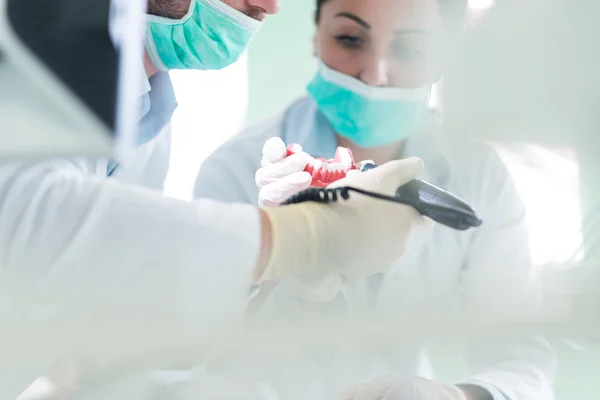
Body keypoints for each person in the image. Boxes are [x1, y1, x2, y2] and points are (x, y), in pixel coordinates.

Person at [0, 0, 426, 398]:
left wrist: (289, 287)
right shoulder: (26, 36)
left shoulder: (148, 116)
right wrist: (295, 237)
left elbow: (110, 320)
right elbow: (19, 214)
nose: (270, 6)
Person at [194, 0, 556, 399]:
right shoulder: (237, 170)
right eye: (350, 39)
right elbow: (204, 359)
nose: (374, 75)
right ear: (316, 37)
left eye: (411, 49)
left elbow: (519, 354)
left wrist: (457, 397)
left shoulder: (479, 177)